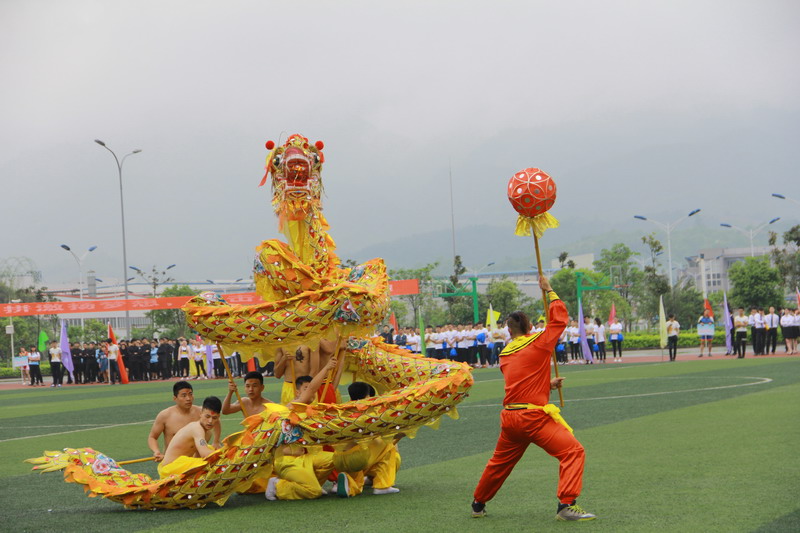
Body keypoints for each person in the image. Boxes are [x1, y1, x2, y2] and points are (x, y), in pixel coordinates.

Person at [471, 276, 595, 522]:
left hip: (511, 417)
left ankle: (478, 503)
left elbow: (521, 383)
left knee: (499, 464)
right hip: (532, 417)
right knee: (573, 452)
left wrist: (546, 385)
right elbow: (559, 320)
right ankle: (566, 504)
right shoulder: (537, 343)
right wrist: (549, 291)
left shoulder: (505, 354)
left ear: (509, 330)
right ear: (529, 328)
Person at [265, 357, 339, 501]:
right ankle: (278, 485)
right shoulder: (294, 405)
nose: (311, 391)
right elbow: (312, 387)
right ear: (298, 392)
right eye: (305, 389)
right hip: (288, 460)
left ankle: (313, 483)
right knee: (314, 492)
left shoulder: (312, 410)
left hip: (305, 458)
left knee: (334, 459)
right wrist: (327, 367)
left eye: (309, 389)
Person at [334, 381, 402, 498]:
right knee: (388, 445)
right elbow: (386, 434)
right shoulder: (369, 412)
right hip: (358, 457)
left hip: (338, 458)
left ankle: (350, 486)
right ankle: (383, 485)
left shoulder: (342, 411)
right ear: (367, 396)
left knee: (362, 459)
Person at [147, 381, 221, 462]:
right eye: (184, 395)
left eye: (190, 394)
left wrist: (216, 441)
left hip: (193, 461)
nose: (188, 398)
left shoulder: (202, 412)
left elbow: (216, 420)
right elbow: (152, 437)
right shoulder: (165, 415)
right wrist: (156, 451)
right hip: (173, 462)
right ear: (175, 398)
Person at [158, 396, 222, 478]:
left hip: (182, 464)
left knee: (211, 451)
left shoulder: (208, 433)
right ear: (201, 414)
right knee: (212, 457)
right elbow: (205, 454)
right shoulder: (196, 428)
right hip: (170, 468)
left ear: (218, 418)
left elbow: (198, 456)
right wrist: (225, 452)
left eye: (214, 418)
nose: (210, 421)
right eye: (207, 416)